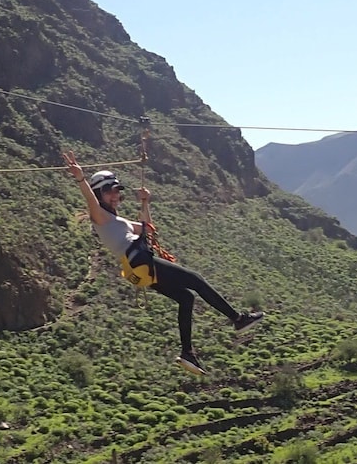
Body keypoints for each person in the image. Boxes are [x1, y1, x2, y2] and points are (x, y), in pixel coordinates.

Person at [63, 151, 263, 375]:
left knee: (186, 297)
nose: (115, 196)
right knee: (196, 280)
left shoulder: (120, 221)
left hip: (140, 268)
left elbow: (147, 229)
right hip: (140, 262)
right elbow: (90, 201)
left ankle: (187, 353)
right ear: (99, 193)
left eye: (117, 191)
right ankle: (237, 318)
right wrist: (80, 178)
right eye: (110, 191)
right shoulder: (100, 216)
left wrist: (145, 202)